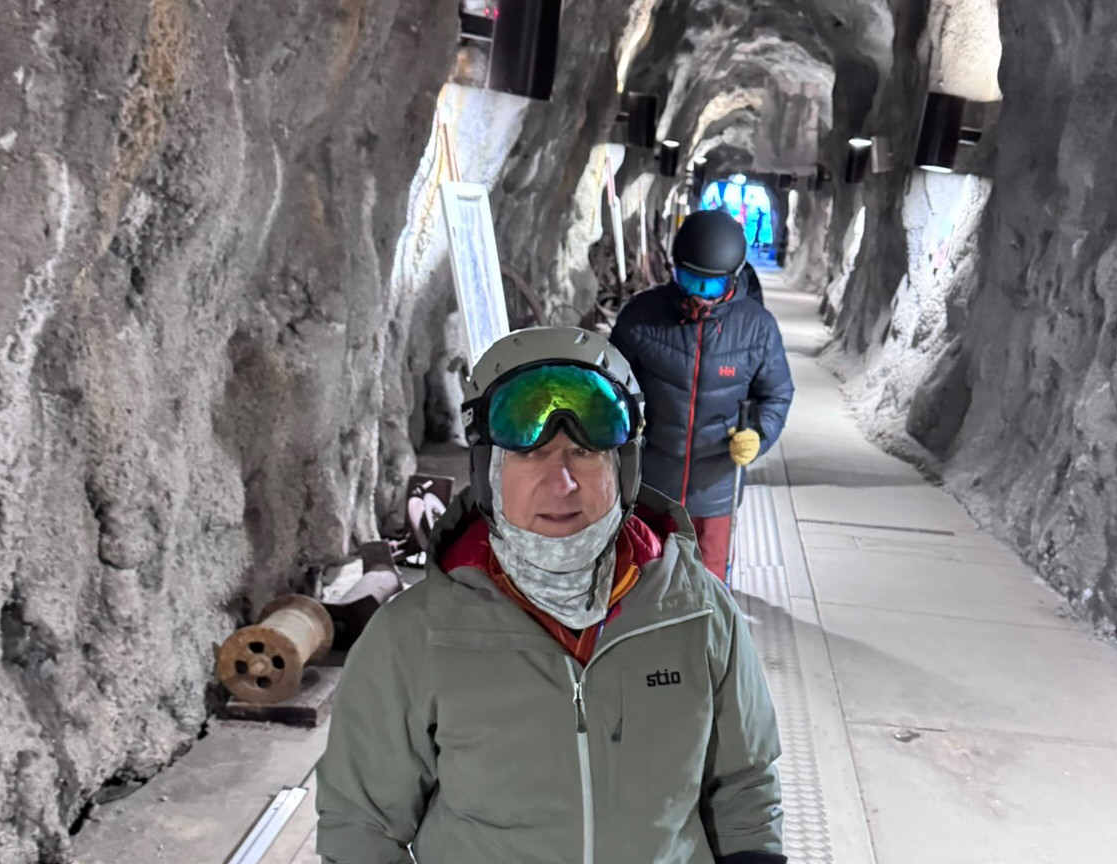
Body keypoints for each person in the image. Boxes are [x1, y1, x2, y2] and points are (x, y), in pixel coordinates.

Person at [315, 327, 786, 864]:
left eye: (584, 452)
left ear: (623, 467)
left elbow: (746, 785)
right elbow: (360, 827)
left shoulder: (698, 614)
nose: (560, 483)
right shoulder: (414, 638)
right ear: (488, 472)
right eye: (528, 454)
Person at [609, 210, 793, 580]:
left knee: (707, 584)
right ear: (674, 270)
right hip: (649, 483)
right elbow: (609, 383)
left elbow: (776, 395)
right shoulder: (641, 317)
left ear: (733, 278)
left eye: (709, 286)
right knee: (640, 579)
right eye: (689, 280)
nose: (699, 297)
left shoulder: (756, 329)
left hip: (716, 489)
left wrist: (758, 435)